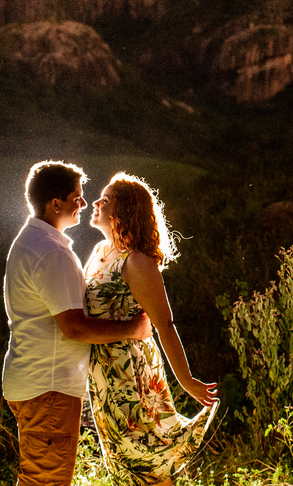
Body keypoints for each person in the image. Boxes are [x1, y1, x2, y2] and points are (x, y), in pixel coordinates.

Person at [3, 160, 154, 486]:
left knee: (37, 479)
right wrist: (132, 328)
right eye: (76, 197)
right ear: (55, 203)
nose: (83, 204)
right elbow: (74, 326)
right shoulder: (51, 253)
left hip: (34, 380)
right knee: (46, 482)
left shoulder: (31, 241)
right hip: (48, 386)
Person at [83, 172, 218, 486]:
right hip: (103, 379)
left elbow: (164, 324)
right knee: (124, 468)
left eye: (106, 199)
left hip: (131, 377)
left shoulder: (137, 262)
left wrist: (186, 380)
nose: (96, 203)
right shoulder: (99, 253)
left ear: (123, 210)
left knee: (146, 465)